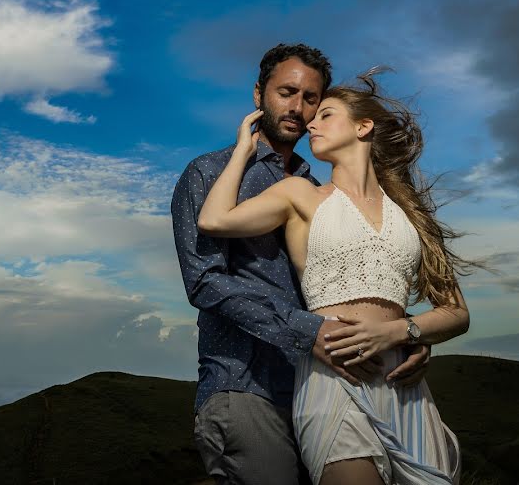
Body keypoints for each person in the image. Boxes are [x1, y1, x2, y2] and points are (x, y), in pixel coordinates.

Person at [171, 44, 432, 485]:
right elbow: (206, 282)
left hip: (328, 386)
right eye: (286, 92)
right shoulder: (210, 173)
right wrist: (308, 331)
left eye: (311, 98)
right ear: (259, 95)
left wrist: (398, 334)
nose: (298, 107)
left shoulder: (315, 189)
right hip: (246, 385)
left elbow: (339, 280)